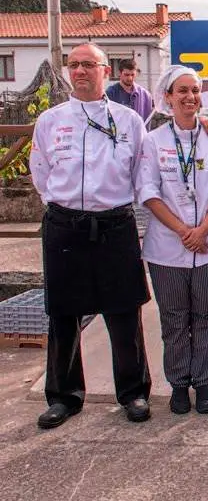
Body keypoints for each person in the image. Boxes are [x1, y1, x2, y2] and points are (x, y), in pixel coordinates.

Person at [29, 43, 152, 428]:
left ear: (105, 71)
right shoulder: (50, 120)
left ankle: (133, 393)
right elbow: (41, 173)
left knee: (123, 312)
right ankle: (64, 396)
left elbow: (141, 175)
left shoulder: (130, 121)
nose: (80, 71)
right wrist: (68, 207)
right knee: (63, 313)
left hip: (115, 224)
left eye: (89, 65)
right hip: (65, 225)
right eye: (74, 65)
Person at [136, 66, 208, 415]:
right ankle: (178, 383)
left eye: (195, 90)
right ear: (168, 98)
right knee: (174, 318)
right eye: (183, 91)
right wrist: (182, 231)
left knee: (206, 314)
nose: (191, 97)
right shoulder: (153, 141)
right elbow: (147, 191)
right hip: (167, 247)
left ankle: (203, 381)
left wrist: (203, 228)